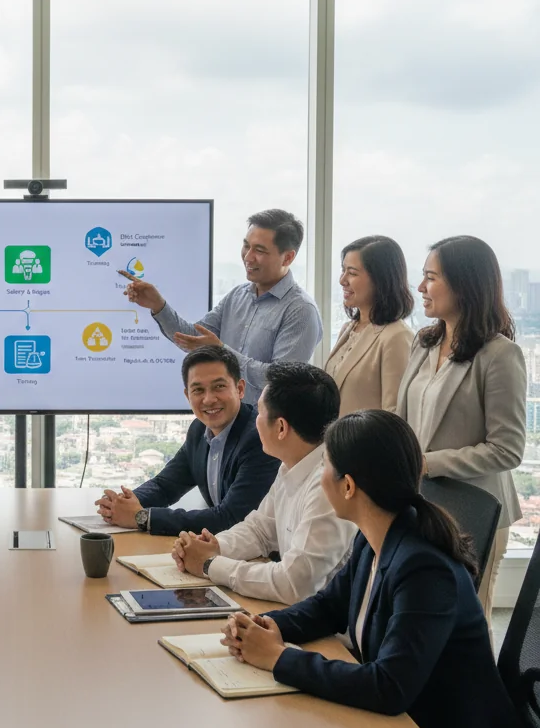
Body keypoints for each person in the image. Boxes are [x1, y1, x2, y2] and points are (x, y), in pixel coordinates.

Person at [220, 411, 535, 728]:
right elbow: (329, 606)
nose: (321, 478)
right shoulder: (378, 536)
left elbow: (389, 687)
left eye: (326, 468)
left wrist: (279, 659)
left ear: (348, 486)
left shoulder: (424, 567)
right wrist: (272, 627)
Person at [394, 235, 526, 620]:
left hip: (474, 513)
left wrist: (427, 463)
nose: (420, 287)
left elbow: (507, 449)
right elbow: (403, 419)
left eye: (431, 278)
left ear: (464, 284)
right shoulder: (424, 342)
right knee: (419, 619)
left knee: (464, 624)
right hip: (422, 506)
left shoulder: (500, 355)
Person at [173, 362, 354, 604]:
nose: (255, 421)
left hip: (333, 636)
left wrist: (209, 564)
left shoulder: (327, 486)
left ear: (280, 428)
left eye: (259, 412)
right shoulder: (291, 464)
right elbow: (260, 530)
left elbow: (294, 584)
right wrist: (214, 546)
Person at [121, 209, 322, 399]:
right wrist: (158, 305)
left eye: (259, 250)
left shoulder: (301, 310)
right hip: (226, 422)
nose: (248, 256)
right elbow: (193, 338)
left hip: (265, 429)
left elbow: (280, 380)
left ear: (287, 257)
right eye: (246, 246)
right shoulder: (237, 296)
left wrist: (223, 351)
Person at [95, 345, 279, 535]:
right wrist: (120, 503)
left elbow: (231, 517)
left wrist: (142, 517)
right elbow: (165, 486)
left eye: (219, 387)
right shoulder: (199, 430)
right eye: (198, 390)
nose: (208, 399)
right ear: (187, 396)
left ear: (240, 389)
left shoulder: (259, 437)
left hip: (265, 558)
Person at [324, 235, 414, 415]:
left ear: (381, 279)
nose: (342, 280)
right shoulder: (349, 328)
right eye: (343, 270)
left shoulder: (396, 336)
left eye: (352, 273)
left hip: (365, 442)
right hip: (334, 440)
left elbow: (394, 414)